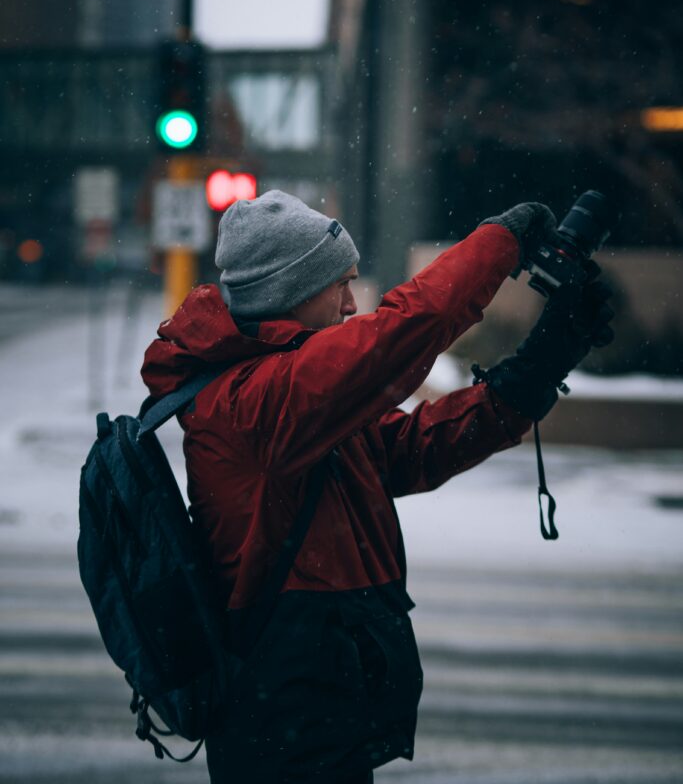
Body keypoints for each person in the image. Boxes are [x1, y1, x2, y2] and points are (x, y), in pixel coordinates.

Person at [141, 190, 613, 784]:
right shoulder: (251, 404)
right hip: (282, 721)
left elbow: (410, 450)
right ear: (287, 292)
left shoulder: (302, 405)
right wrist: (501, 240)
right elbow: (397, 338)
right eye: (337, 284)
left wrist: (537, 369)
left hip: (321, 712)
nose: (347, 304)